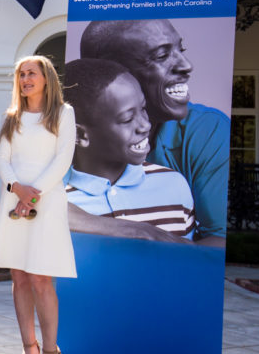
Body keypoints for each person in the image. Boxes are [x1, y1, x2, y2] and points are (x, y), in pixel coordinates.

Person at [79, 19, 227, 246]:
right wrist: (136, 232)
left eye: (181, 49)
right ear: (111, 71)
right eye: (161, 56)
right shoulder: (69, 136)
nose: (186, 65)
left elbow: (218, 239)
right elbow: (37, 205)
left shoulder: (206, 132)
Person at [0, 56, 76, 354]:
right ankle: (28, 350)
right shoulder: (13, 117)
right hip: (15, 201)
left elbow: (62, 159)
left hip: (47, 203)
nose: (25, 79)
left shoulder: (63, 114)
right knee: (19, 276)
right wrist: (16, 189)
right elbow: (1, 159)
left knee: (40, 278)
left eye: (31, 74)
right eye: (21, 74)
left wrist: (33, 195)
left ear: (46, 78)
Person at [63, 58, 195, 240]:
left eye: (143, 109)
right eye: (127, 119)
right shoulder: (51, 200)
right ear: (80, 135)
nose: (145, 125)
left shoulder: (174, 185)